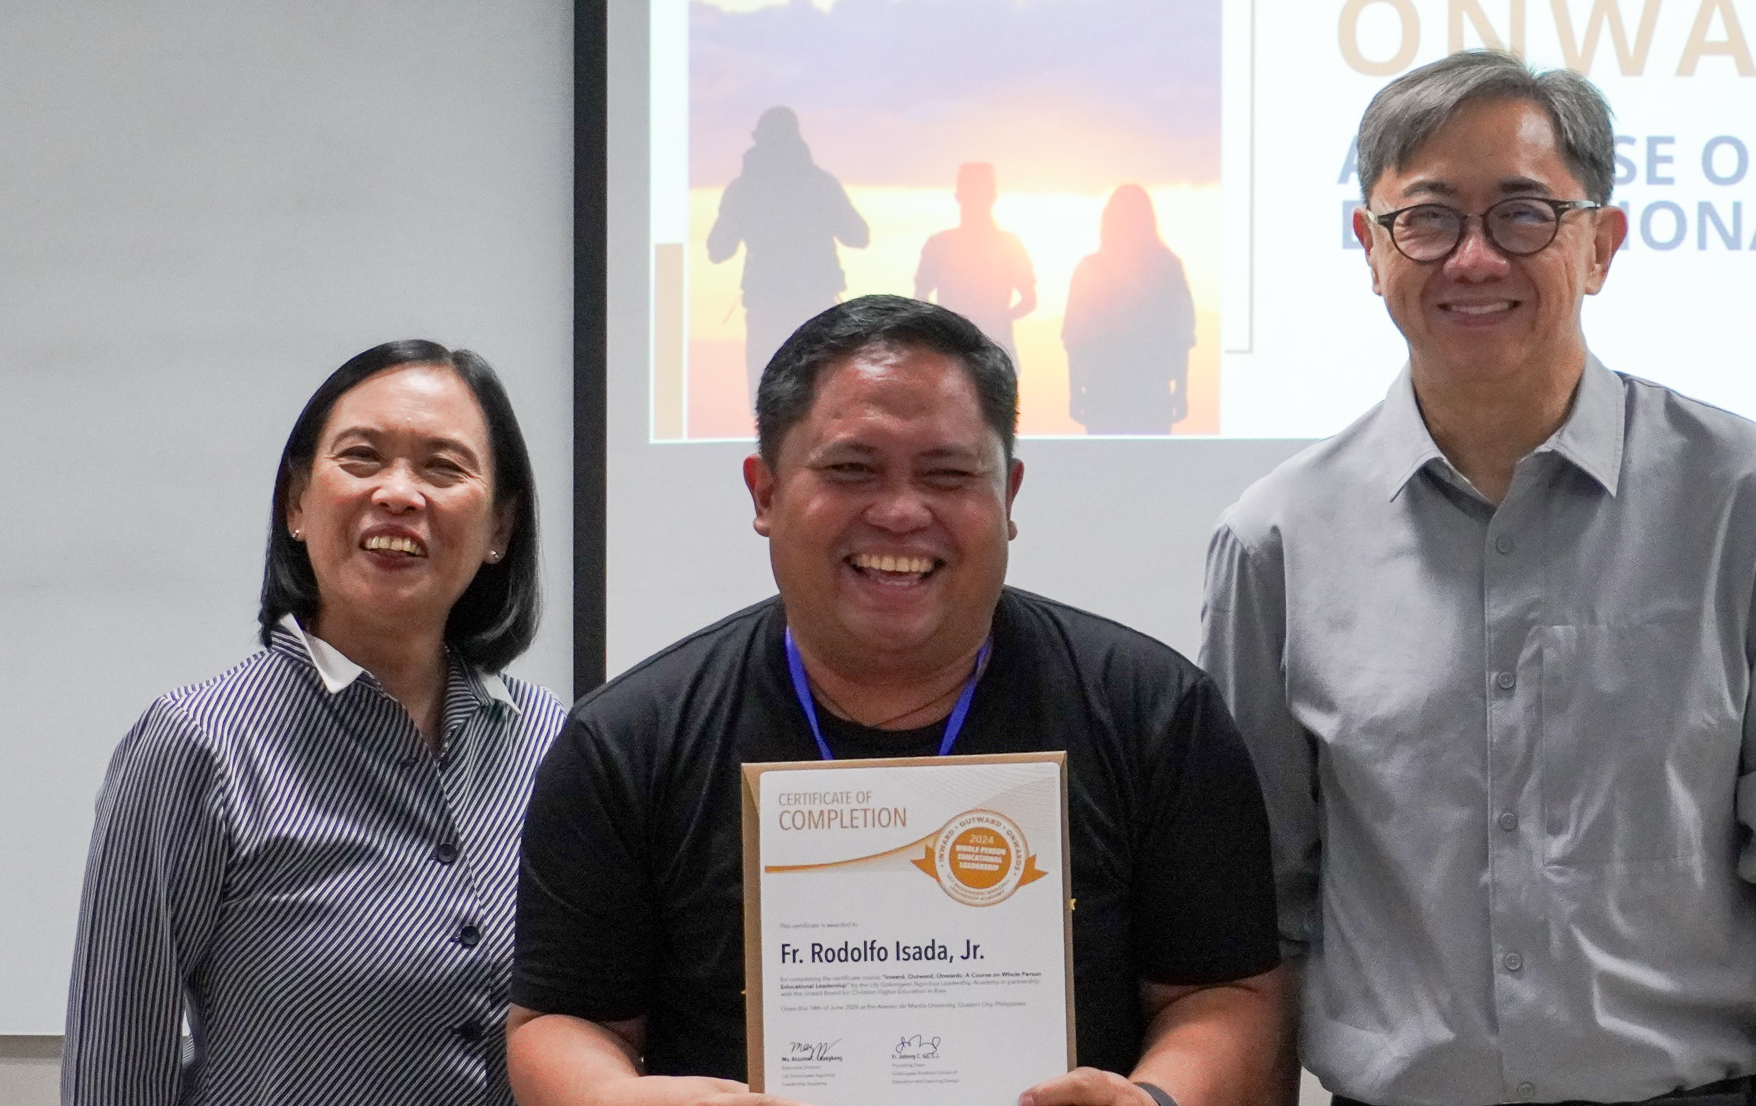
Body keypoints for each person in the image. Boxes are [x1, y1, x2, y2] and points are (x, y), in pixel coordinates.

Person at [1200, 51, 1756, 1106]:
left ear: (1598, 244)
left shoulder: (1752, 502)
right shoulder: (1276, 539)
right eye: (1427, 219)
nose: (1472, 259)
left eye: (1522, 214)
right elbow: (1259, 915)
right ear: (1368, 247)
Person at [508, 295, 1290, 1106]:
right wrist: (611, 1098)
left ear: (1009, 494)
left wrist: (1157, 1100)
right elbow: (560, 1019)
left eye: (948, 474)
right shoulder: (628, 740)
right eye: (851, 469)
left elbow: (1224, 994)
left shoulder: (1155, 714)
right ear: (765, 491)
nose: (902, 511)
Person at [63, 340, 564, 1106]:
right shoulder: (196, 747)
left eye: (442, 466)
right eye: (362, 457)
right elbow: (114, 1076)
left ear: (499, 528)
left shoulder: (552, 745)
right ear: (296, 502)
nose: (399, 493)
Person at [708, 105, 871, 402]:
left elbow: (718, 250)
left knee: (767, 400)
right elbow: (858, 236)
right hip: (815, 305)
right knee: (822, 397)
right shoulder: (821, 184)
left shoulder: (743, 189)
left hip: (767, 306)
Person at [1061, 184, 1196, 435]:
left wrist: (1075, 390)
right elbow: (1182, 335)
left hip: (1120, 388)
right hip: (1135, 388)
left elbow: (1074, 336)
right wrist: (1180, 390)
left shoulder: (1091, 269)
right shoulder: (1168, 266)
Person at [914, 160, 1036, 362]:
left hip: (954, 350)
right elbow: (1029, 300)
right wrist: (1001, 320)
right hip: (992, 351)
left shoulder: (938, 245)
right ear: (993, 198)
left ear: (957, 197)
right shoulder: (1009, 245)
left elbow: (920, 298)